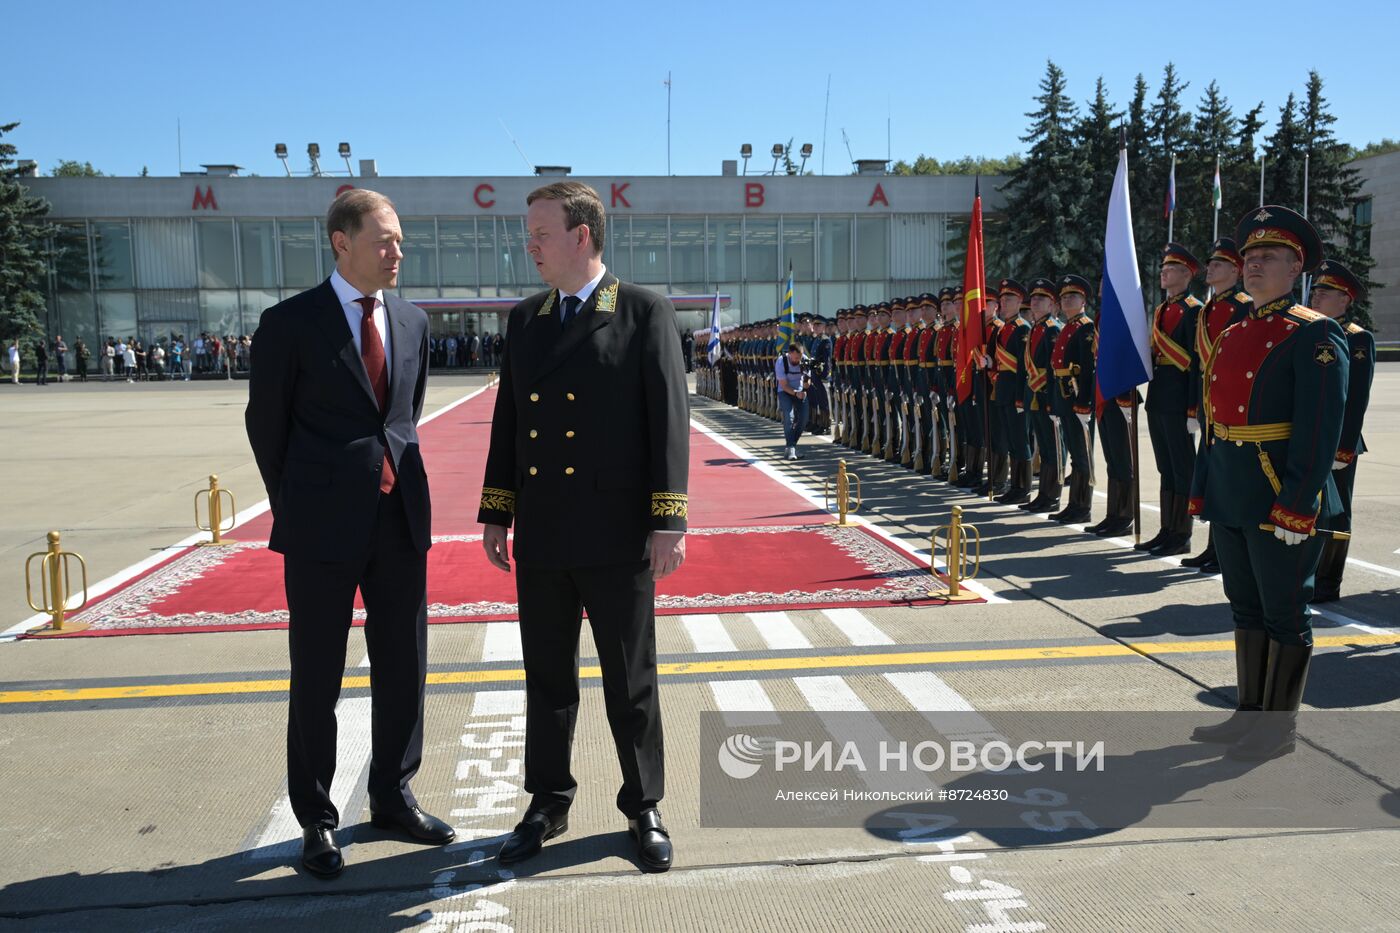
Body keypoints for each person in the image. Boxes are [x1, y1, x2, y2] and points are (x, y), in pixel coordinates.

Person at [478, 182, 687, 874]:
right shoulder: (527, 318)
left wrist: (668, 520)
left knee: (629, 678)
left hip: (615, 530)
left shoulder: (640, 311)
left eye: (540, 233)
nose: (529, 246)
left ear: (582, 236)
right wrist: (497, 511)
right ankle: (548, 798)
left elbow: (668, 423)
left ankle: (642, 802)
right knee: (547, 676)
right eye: (528, 234)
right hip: (545, 531)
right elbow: (510, 420)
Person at [245, 188, 449, 880]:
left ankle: (392, 794)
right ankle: (316, 819)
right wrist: (302, 501)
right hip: (321, 528)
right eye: (384, 239)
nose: (398, 251)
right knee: (318, 676)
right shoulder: (289, 324)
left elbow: (403, 419)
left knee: (405, 667)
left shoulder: (414, 321)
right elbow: (266, 429)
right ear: (342, 242)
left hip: (398, 521)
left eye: (400, 239)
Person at [1188, 205, 1348, 761]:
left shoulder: (1315, 333)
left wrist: (1298, 503)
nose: (1253, 266)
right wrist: (1204, 484)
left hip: (1279, 489)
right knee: (1245, 605)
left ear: (1295, 266)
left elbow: (1320, 429)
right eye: (1249, 258)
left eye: (1267, 258)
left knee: (1285, 609)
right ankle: (1248, 713)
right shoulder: (1235, 330)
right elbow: (1216, 421)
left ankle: (1277, 730)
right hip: (1235, 484)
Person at [1182, 239, 1252, 573]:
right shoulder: (1210, 307)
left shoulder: (1242, 305)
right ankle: (1214, 548)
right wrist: (1197, 407)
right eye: (1210, 263)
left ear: (1236, 271)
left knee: (1225, 478)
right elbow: (1201, 366)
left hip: (1229, 404)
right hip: (1209, 402)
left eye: (1219, 264)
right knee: (1211, 477)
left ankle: (1224, 551)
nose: (1210, 268)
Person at [1308, 259, 1374, 603]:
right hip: (1313, 437)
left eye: (1324, 292)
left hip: (1339, 442)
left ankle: (1328, 581)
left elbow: (1356, 398)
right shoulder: (1312, 331)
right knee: (1312, 508)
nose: (1315, 297)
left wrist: (1344, 447)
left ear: (1345, 300)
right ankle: (1309, 574)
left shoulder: (1356, 338)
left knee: (1336, 512)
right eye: (1315, 290)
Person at [1139, 243, 1203, 556]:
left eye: (1171, 268)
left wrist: (1193, 408)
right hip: (1159, 395)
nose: (1163, 272)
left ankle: (1182, 533)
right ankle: (1167, 528)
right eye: (1164, 267)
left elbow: (1195, 363)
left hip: (1179, 398)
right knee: (1166, 467)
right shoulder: (1163, 309)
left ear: (1187, 273)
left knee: (1182, 468)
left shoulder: (1195, 310)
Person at [1048, 276, 1097, 524]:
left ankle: (1083, 506)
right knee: (1075, 454)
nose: (1067, 300)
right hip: (1063, 395)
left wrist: (1084, 402)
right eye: (1064, 297)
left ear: (1083, 301)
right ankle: (1073, 504)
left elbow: (1088, 368)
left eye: (1073, 296)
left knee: (1082, 454)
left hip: (1077, 396)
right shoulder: (1068, 325)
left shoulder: (1085, 327)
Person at [1020, 279, 1062, 513]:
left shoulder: (1052, 329)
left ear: (1051, 304)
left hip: (1046, 395)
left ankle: (1052, 496)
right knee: (1044, 448)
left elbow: (1053, 367)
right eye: (1033, 298)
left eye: (1041, 299)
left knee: (1053, 448)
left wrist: (1054, 401)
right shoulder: (1036, 327)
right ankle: (1043, 494)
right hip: (1035, 394)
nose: (1035, 302)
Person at [993, 280, 1033, 502]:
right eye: (1002, 299)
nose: (1004, 302)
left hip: (1016, 393)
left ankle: (1023, 488)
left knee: (1020, 440)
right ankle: (1014, 486)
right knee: (1010, 439)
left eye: (1009, 299)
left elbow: (1022, 369)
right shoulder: (1004, 329)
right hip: (1003, 391)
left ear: (1019, 301)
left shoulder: (1022, 328)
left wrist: (1020, 398)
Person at [776, 342, 809, 460]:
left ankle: (792, 446)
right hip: (785, 391)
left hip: (800, 391)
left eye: (800, 358)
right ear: (790, 354)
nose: (798, 361)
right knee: (788, 417)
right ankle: (790, 448)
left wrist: (806, 381)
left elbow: (807, 384)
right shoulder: (781, 362)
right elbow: (784, 385)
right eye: (795, 358)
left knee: (804, 418)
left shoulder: (805, 360)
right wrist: (796, 393)